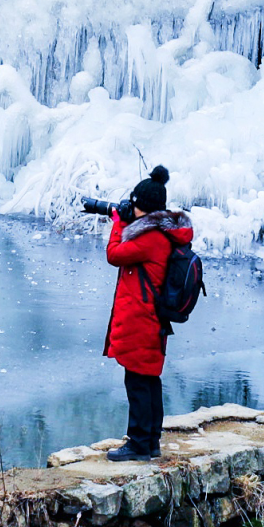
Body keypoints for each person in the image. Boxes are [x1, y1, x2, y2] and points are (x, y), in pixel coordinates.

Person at [102, 165, 194, 462]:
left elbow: (114, 254)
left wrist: (118, 222)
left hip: (142, 321)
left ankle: (139, 444)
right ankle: (149, 441)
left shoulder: (150, 238)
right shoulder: (162, 232)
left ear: (144, 207)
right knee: (148, 380)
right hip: (151, 319)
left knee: (138, 382)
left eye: (135, 205)